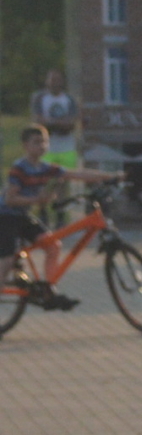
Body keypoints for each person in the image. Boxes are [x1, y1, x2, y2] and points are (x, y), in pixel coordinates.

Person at [4, 125, 115, 307]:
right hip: (5, 217)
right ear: (25, 145)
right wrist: (37, 199)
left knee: (53, 246)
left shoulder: (45, 168)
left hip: (23, 216)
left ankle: (48, 291)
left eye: (45, 142)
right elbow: (10, 199)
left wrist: (110, 176)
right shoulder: (20, 168)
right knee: (7, 259)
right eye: (36, 142)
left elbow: (77, 174)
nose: (42, 146)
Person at [30, 72, 80, 171]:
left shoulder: (69, 99)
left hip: (67, 148)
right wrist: (61, 123)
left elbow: (71, 124)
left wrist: (50, 122)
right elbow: (38, 122)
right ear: (47, 81)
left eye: (58, 80)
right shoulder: (39, 98)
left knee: (67, 178)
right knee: (46, 180)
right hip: (46, 150)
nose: (55, 83)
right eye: (52, 80)